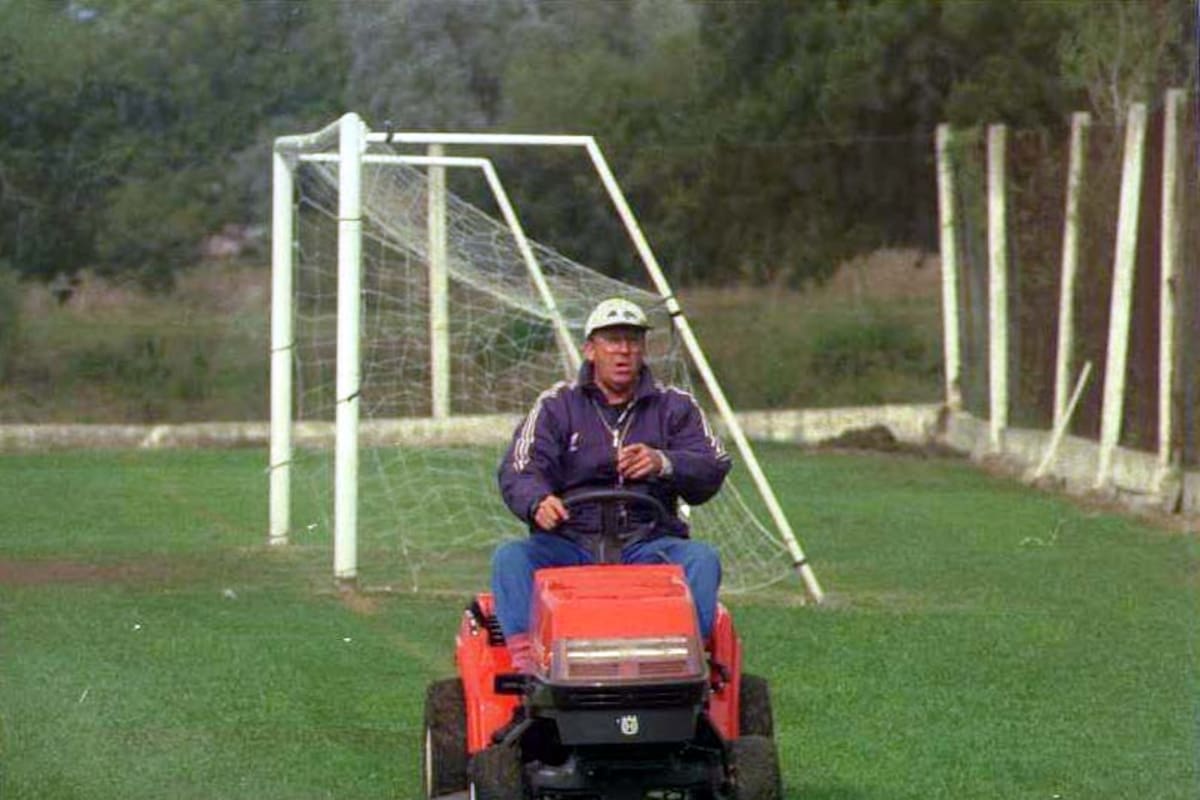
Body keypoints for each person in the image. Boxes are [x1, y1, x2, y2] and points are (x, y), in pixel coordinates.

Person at [494, 297, 732, 672]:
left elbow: (713, 464)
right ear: (591, 350)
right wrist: (538, 500)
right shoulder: (556, 406)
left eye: (632, 341)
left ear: (643, 350)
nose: (623, 351)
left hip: (647, 543)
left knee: (702, 559)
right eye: (612, 341)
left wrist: (663, 462)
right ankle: (528, 666)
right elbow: (520, 467)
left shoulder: (675, 406)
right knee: (511, 558)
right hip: (571, 542)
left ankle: (687, 664)